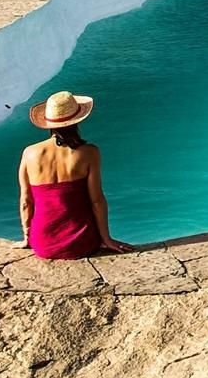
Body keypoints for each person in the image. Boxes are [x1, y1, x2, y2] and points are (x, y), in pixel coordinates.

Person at [19, 91, 129, 258]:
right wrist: (106, 239)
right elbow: (97, 201)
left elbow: (26, 202)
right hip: (81, 243)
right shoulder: (89, 153)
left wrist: (28, 238)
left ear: (49, 123)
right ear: (77, 121)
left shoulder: (30, 153)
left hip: (42, 244)